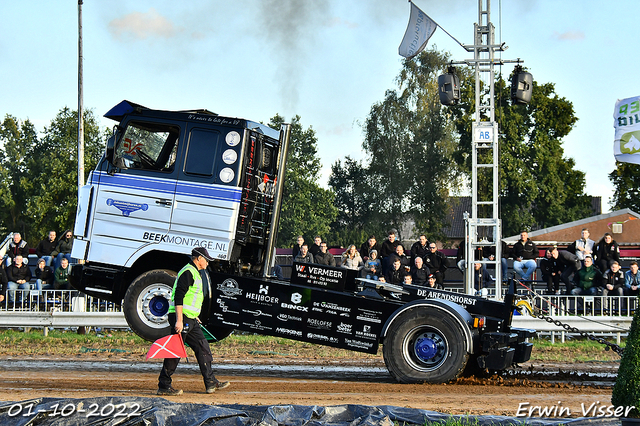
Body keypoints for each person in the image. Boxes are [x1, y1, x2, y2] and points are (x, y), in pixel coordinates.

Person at [158, 247, 230, 395]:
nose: (208, 263)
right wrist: (179, 320)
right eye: (206, 259)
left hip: (189, 318)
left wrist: (193, 314)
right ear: (198, 259)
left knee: (203, 347)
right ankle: (164, 386)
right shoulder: (188, 272)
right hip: (181, 318)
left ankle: (210, 382)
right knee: (175, 352)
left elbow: (190, 298)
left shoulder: (195, 273)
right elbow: (178, 297)